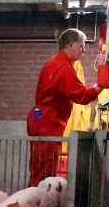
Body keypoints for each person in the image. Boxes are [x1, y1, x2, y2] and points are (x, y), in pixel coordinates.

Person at [26, 28, 103, 187]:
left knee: (39, 167)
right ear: (70, 45)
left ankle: (34, 204)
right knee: (44, 172)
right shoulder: (63, 67)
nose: (83, 49)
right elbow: (80, 95)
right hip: (48, 121)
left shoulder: (53, 63)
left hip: (39, 117)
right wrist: (100, 86)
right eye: (81, 45)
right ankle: (37, 206)